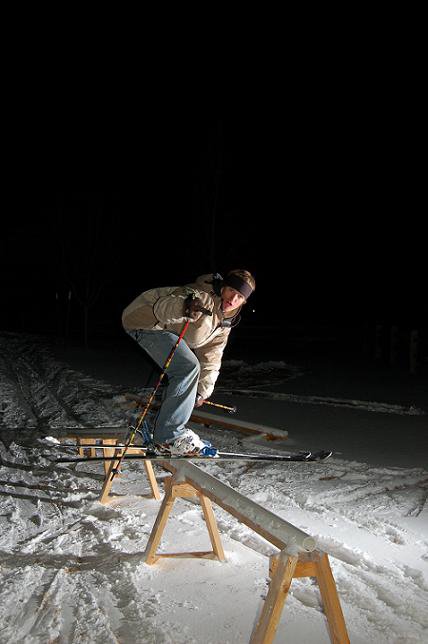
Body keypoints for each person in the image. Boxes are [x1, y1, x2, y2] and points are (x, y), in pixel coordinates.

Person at [122, 269, 256, 456]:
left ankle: (169, 434)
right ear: (223, 287)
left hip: (166, 331)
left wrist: (202, 390)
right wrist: (184, 306)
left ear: (244, 301)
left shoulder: (225, 322)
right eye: (232, 291)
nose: (233, 299)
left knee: (190, 369)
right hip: (144, 320)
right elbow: (162, 308)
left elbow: (212, 356)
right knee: (187, 367)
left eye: (240, 296)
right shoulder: (201, 295)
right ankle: (168, 436)